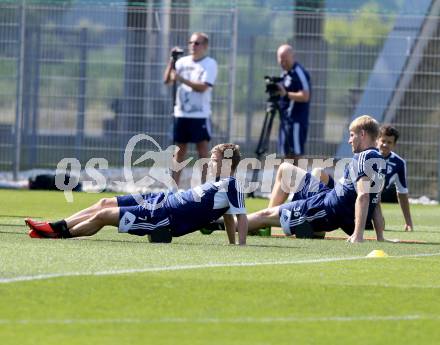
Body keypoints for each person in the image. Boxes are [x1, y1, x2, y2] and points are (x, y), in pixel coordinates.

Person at [25, 144, 248, 245]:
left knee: (104, 217)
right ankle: (56, 226)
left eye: (215, 159)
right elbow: (228, 215)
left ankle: (58, 235)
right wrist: (231, 242)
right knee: (104, 201)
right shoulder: (219, 183)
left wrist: (241, 245)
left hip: (162, 217)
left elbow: (239, 217)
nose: (210, 161)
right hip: (160, 200)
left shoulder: (232, 185)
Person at [247, 115, 386, 243]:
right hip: (331, 202)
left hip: (326, 210)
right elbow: (376, 202)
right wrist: (380, 237)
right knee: (290, 170)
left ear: (362, 134)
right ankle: (310, 228)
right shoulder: (380, 161)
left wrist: (358, 234)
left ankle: (232, 221)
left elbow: (364, 195)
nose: (349, 140)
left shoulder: (364, 156)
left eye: (351, 135)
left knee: (263, 216)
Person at [312, 125, 414, 232]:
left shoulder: (399, 164)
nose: (385, 145)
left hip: (366, 206)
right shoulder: (365, 155)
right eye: (383, 141)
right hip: (342, 196)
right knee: (318, 172)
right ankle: (311, 213)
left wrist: (408, 222)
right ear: (377, 140)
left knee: (379, 226)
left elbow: (402, 193)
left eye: (389, 142)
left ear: (394, 145)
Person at [163, 32, 218, 186]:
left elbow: (203, 87)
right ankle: (173, 188)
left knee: (202, 151)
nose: (193, 46)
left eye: (197, 43)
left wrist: (181, 79)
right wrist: (171, 61)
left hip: (200, 114)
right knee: (179, 151)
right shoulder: (182, 62)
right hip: (181, 113)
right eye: (191, 42)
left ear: (205, 46)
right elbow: (166, 80)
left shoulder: (209, 63)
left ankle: (205, 186)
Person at [276, 44, 311, 160]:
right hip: (285, 120)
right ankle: (286, 178)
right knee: (285, 155)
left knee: (296, 155)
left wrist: (286, 94)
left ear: (293, 57)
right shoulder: (285, 73)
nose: (283, 63)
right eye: (281, 60)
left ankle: (300, 178)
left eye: (285, 60)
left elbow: (305, 96)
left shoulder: (299, 73)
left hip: (296, 121)